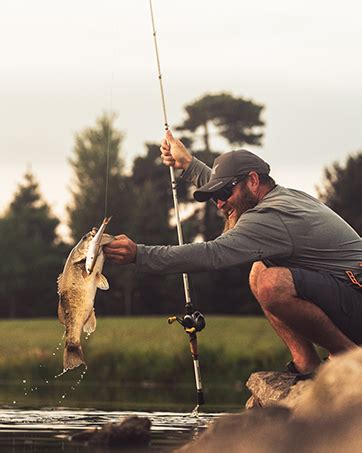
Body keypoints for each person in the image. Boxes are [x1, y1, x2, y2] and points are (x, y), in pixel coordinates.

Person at [104, 129, 362, 377]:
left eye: (224, 192)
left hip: (356, 295)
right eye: (215, 194)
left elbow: (211, 253)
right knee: (259, 270)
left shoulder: (269, 217)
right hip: (347, 293)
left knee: (271, 283)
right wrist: (188, 164)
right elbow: (233, 195)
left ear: (253, 180)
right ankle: (307, 364)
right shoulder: (280, 198)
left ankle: (350, 359)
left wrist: (140, 254)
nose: (219, 203)